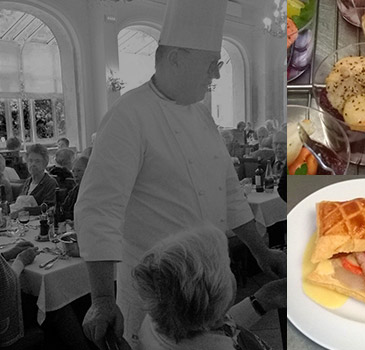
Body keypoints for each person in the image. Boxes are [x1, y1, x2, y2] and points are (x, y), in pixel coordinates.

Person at [76, 1, 285, 348]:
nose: (215, 75)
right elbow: (98, 209)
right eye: (211, 65)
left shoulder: (201, 115)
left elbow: (230, 193)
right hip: (156, 292)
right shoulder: (128, 115)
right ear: (176, 59)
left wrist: (261, 252)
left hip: (209, 283)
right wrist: (100, 298)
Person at [133, 226, 285, 350]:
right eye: (228, 267)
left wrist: (263, 300)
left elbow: (206, 326)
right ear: (217, 294)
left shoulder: (158, 320)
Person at [59, 156, 89, 221]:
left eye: (79, 171)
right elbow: (63, 208)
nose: (75, 175)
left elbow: (81, 213)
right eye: (73, 171)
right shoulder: (74, 190)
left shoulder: (90, 192)